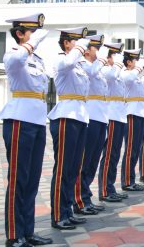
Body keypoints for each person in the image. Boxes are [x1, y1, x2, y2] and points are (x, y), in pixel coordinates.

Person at [0, 13, 53, 247]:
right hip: (19, 119)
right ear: (20, 33)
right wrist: (33, 43)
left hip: (37, 119)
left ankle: (28, 231)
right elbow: (13, 63)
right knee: (19, 178)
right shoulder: (13, 53)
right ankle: (14, 234)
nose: (36, 36)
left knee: (31, 179)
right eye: (32, 31)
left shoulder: (36, 59)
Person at [46, 27, 91, 230]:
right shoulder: (61, 60)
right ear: (67, 43)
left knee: (73, 168)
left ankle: (68, 210)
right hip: (65, 116)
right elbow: (69, 62)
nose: (82, 47)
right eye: (76, 42)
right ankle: (58, 215)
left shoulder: (79, 65)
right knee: (63, 168)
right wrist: (80, 48)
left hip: (80, 116)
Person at [74, 34, 109, 216]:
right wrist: (102, 61)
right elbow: (91, 73)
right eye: (96, 48)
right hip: (91, 115)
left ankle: (86, 196)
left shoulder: (96, 68)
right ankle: (79, 199)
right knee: (85, 160)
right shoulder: (83, 66)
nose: (99, 52)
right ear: (87, 50)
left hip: (101, 115)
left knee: (93, 160)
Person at [98, 42, 129, 203]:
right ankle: (104, 189)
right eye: (112, 56)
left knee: (115, 154)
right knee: (109, 155)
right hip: (110, 115)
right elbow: (110, 76)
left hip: (119, 114)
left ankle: (110, 187)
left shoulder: (115, 72)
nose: (114, 59)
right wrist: (116, 64)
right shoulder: (105, 70)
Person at [120, 49, 144, 192]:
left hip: (140, 112)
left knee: (136, 148)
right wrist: (137, 68)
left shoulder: (137, 76)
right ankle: (126, 181)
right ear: (129, 62)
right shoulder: (125, 73)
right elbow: (129, 79)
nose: (138, 63)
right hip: (130, 113)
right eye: (135, 60)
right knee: (130, 149)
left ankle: (131, 179)